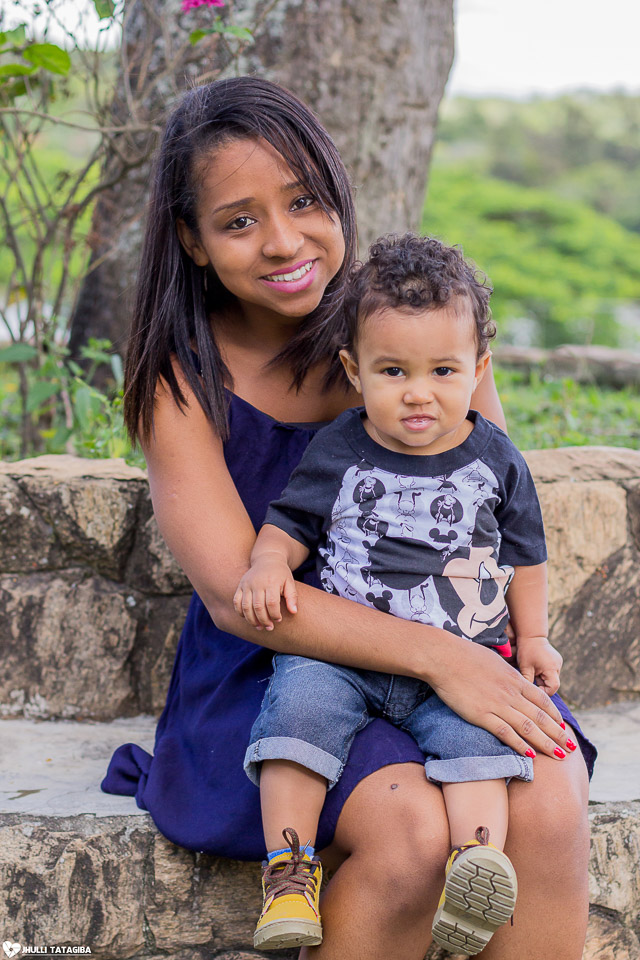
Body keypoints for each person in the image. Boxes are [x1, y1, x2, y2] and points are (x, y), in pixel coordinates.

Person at [102, 77, 596, 960]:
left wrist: (494, 651)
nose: (284, 241)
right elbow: (234, 596)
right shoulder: (182, 378)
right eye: (240, 220)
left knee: (550, 792)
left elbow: (491, 512)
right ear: (194, 240)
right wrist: (447, 663)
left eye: (303, 201)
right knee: (408, 835)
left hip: (451, 634)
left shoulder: (419, 336)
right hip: (275, 667)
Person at [234, 233, 565, 955]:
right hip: (343, 654)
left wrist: (532, 639)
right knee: (296, 716)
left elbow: (526, 554)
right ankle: (289, 872)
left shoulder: (495, 459)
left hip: (461, 655)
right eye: (393, 371)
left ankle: (476, 864)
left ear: (478, 370)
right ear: (355, 372)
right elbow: (289, 522)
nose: (418, 392)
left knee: (483, 742)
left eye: (443, 370)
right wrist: (266, 565)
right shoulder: (342, 448)